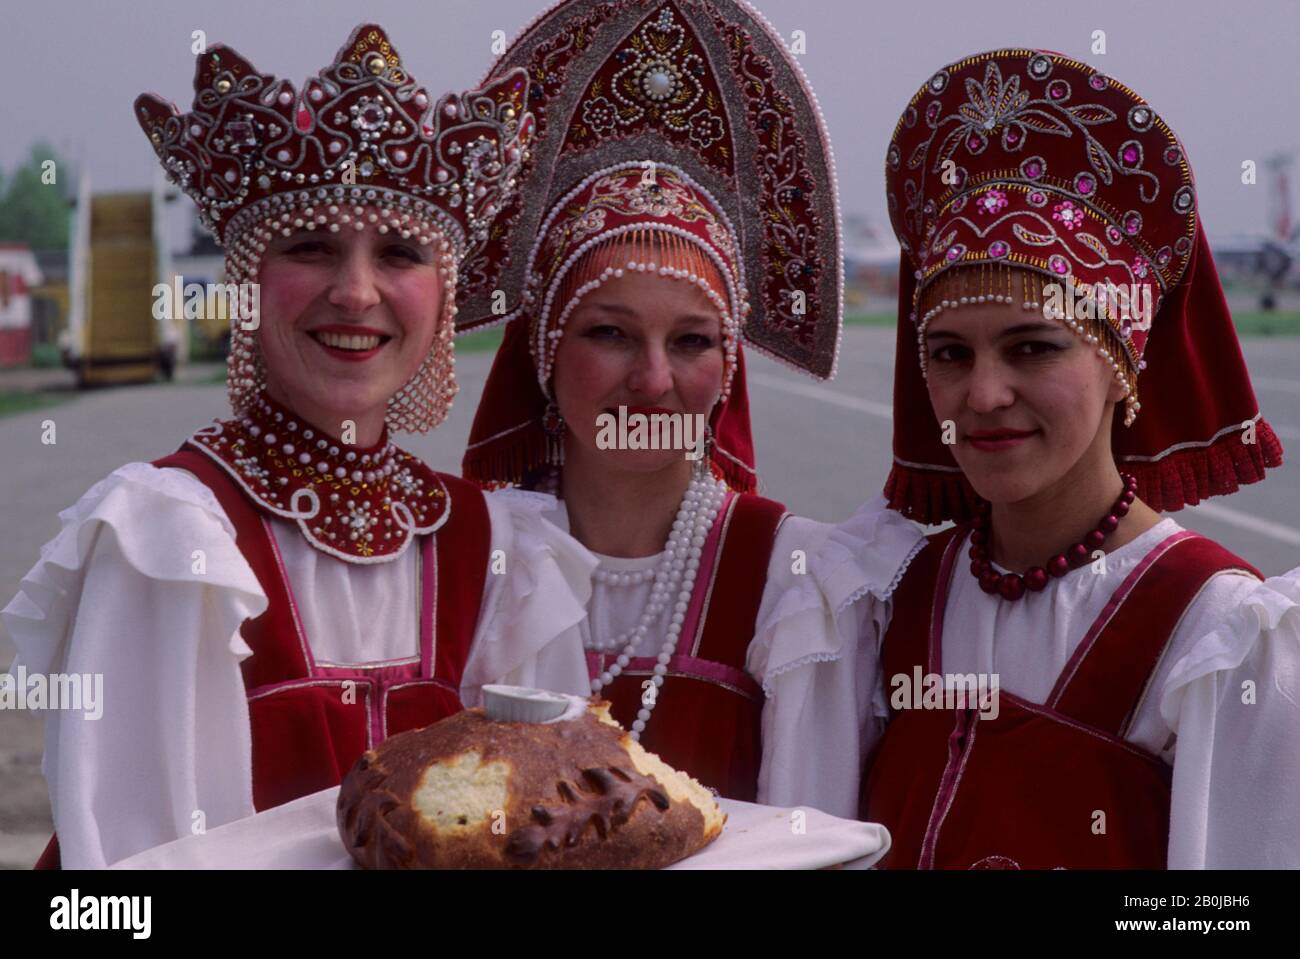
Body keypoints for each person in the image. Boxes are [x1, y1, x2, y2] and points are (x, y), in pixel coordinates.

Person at [1, 24, 597, 869]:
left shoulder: (498, 546)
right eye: (310, 245)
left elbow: (549, 831)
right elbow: (135, 865)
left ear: (444, 291)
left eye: (399, 253)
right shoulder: (169, 540)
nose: (355, 292)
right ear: (247, 281)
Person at [762, 48, 1295, 866]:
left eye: (1033, 348)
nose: (983, 394)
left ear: (1123, 366)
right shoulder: (884, 598)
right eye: (949, 354)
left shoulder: (1214, 632)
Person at [456, 0, 926, 806]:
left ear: (729, 364)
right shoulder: (471, 560)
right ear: (544, 352)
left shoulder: (793, 582)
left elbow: (811, 846)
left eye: (691, 341)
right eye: (609, 332)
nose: (652, 380)